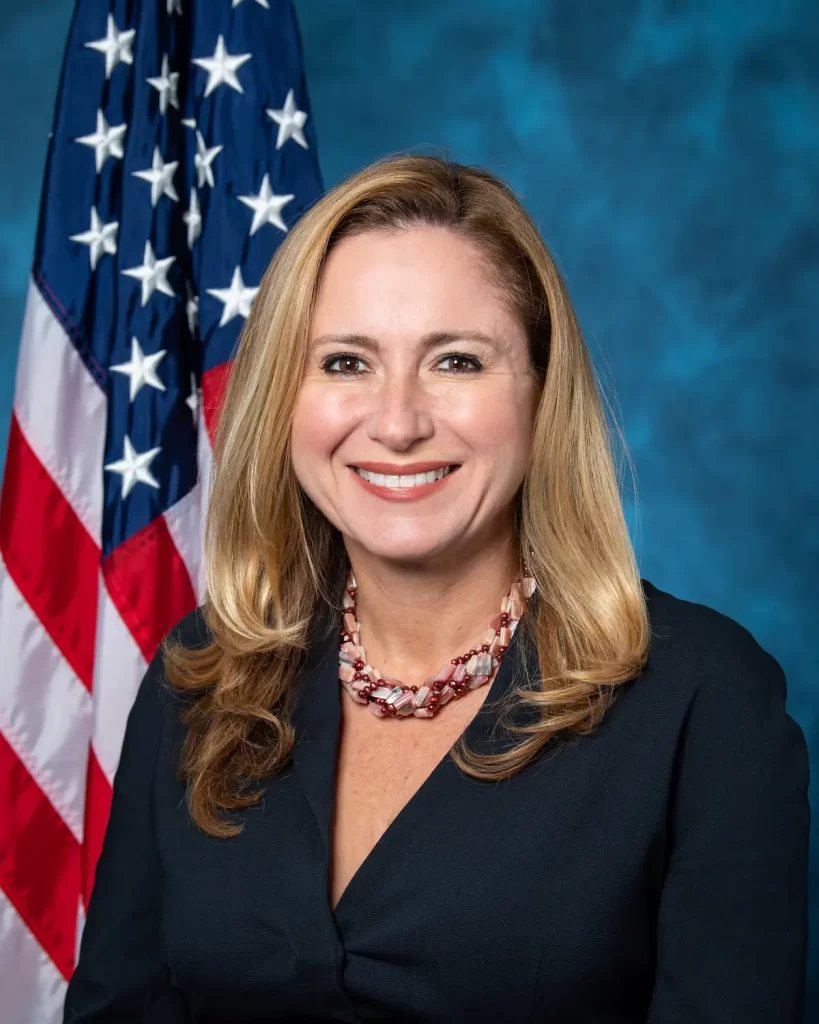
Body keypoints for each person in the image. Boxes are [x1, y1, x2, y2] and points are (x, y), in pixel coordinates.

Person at [63, 154, 810, 1023]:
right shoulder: (201, 676)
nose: (397, 422)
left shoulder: (703, 699)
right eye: (345, 363)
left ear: (539, 393)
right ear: (282, 399)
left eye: (455, 362)